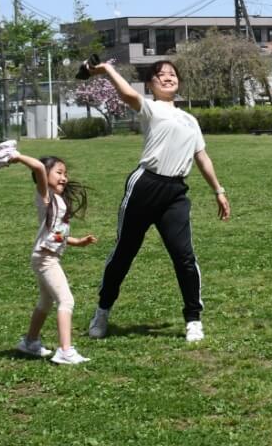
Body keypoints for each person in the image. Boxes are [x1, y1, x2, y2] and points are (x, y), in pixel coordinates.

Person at [86, 60, 230, 343]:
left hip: (175, 192)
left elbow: (201, 157)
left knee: (184, 256)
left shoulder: (190, 119)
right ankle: (102, 311)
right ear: (151, 84)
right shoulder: (151, 108)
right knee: (124, 253)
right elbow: (128, 95)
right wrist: (108, 70)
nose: (168, 78)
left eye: (173, 74)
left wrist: (218, 190)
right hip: (145, 185)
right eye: (161, 75)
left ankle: (193, 319)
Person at [5, 150, 97, 365]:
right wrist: (17, 157)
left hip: (45, 256)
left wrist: (78, 241)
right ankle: (65, 351)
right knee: (66, 300)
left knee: (46, 301)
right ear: (44, 176)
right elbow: (37, 168)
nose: (64, 177)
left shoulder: (59, 201)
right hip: (46, 259)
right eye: (59, 172)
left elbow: (57, 234)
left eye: (65, 173)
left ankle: (29, 342)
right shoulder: (45, 196)